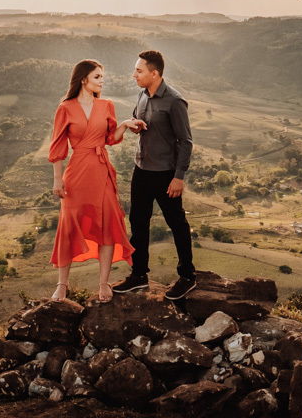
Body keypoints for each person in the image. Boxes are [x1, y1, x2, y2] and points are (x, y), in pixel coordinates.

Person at [48, 59, 143, 303]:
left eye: (102, 76)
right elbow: (58, 145)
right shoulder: (66, 108)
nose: (102, 81)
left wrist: (123, 124)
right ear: (83, 80)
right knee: (70, 226)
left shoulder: (106, 105)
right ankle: (62, 285)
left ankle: (103, 283)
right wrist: (57, 180)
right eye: (98, 77)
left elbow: (110, 139)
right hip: (76, 173)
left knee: (108, 224)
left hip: (101, 172)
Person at [112, 49, 196, 300]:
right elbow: (138, 120)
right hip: (142, 170)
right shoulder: (142, 95)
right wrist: (135, 125)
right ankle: (139, 275)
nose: (134, 75)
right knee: (138, 224)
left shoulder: (174, 101)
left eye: (139, 71)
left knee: (177, 224)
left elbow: (186, 141)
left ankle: (188, 276)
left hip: (166, 174)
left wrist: (179, 177)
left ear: (154, 73)